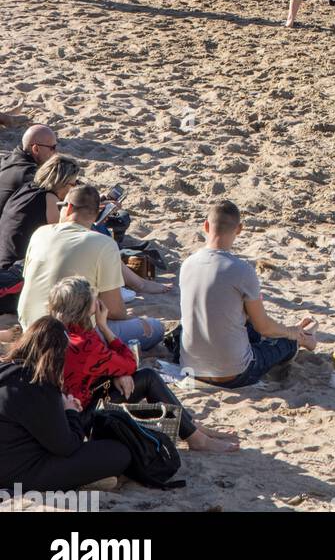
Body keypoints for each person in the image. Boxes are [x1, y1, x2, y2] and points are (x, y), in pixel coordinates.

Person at [49, 277, 238, 453]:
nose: (98, 300)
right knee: (147, 377)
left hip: (63, 414)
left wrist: (117, 374)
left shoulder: (56, 332)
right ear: (84, 308)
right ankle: (196, 438)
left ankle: (192, 428)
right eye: (93, 297)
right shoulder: (85, 342)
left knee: (136, 377)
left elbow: (96, 368)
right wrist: (105, 327)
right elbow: (130, 364)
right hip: (79, 420)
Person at [177, 200, 316, 389]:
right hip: (234, 373)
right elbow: (264, 327)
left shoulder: (187, 264)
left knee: (243, 323)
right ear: (239, 229)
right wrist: (291, 332)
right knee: (283, 342)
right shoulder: (242, 270)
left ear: (206, 226)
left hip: (190, 367)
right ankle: (303, 337)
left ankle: (300, 334)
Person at [18, 182, 163, 351]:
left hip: (30, 327)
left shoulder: (40, 233)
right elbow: (115, 310)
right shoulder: (104, 244)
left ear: (69, 207)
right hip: (68, 338)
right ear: (96, 216)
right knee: (155, 328)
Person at [0, 318, 132, 493]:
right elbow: (66, 446)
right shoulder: (38, 384)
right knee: (119, 453)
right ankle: (82, 482)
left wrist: (61, 402)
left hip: (9, 462)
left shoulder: (8, 370)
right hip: (21, 474)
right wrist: (70, 412)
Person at [0, 155, 80, 269]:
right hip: (15, 272)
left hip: (5, 263)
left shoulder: (27, 188)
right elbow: (66, 234)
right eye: (73, 184)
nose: (74, 189)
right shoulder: (49, 198)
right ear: (61, 182)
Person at [0, 125, 61, 217]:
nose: (56, 152)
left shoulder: (8, 159)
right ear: (36, 149)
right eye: (52, 147)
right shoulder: (29, 174)